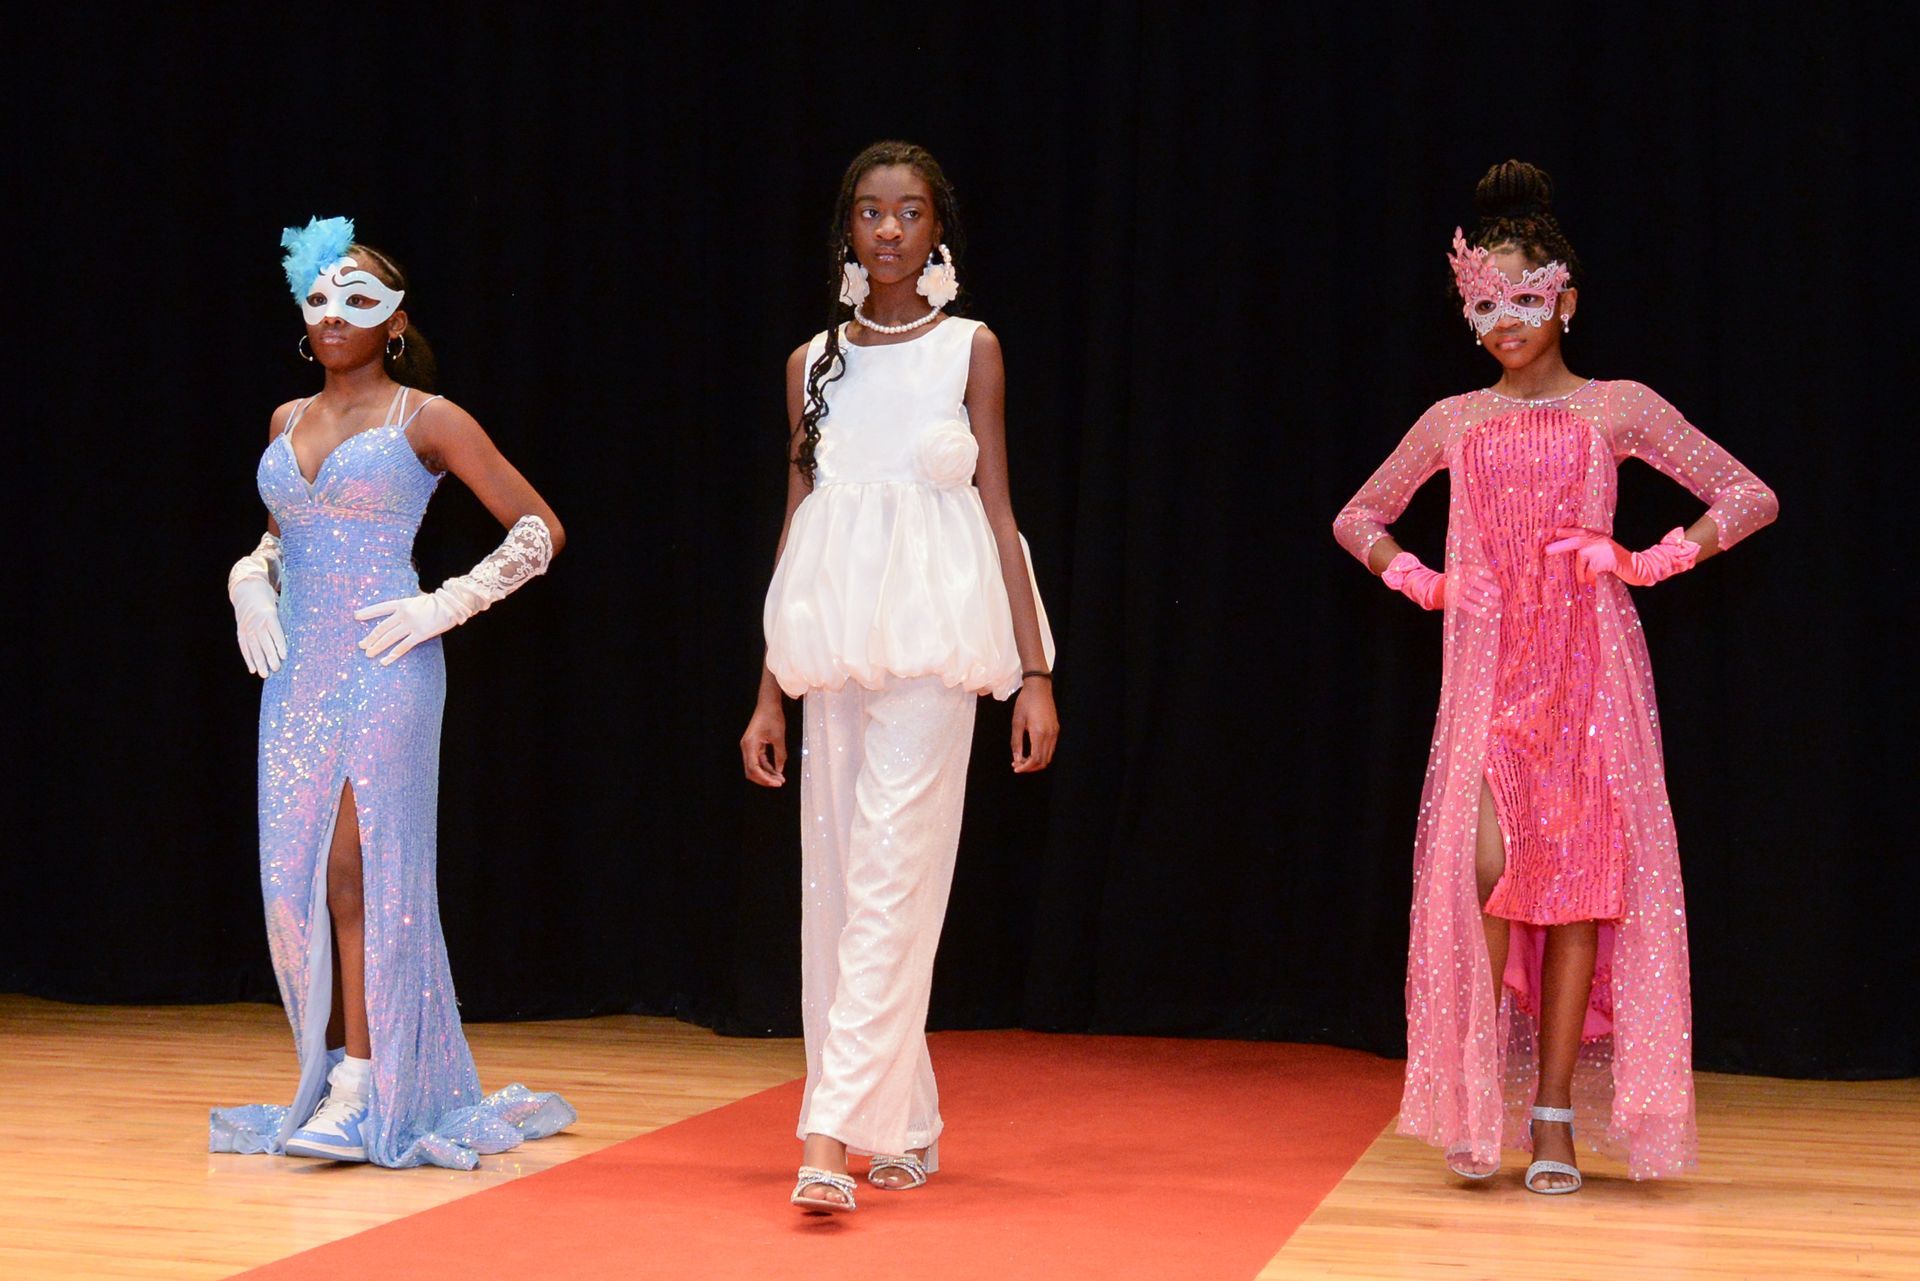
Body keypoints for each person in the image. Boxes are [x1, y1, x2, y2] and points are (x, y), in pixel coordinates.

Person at [1332, 162, 1777, 1193]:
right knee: (1485, 873)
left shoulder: (1617, 407)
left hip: (1587, 676)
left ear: (1566, 299)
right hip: (1489, 678)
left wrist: (1647, 560)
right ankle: (1475, 1101)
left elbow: (1746, 495)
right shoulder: (1453, 420)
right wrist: (1424, 581)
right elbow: (1359, 515)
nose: (1505, 322)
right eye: (1484, 305)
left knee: (1577, 893)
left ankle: (1553, 1114)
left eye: (1524, 300)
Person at [212, 217, 576, 1168]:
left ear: (396, 321)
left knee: (357, 869)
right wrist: (249, 580)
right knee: (292, 880)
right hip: (296, 671)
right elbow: (281, 537)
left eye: (357, 299)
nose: (334, 314)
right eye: (318, 298)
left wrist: (448, 602)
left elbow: (539, 527)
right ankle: (337, 1068)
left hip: (387, 659)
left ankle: (365, 1086)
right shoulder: (286, 420)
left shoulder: (428, 418)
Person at [742, 143, 1059, 1213]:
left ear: (937, 230)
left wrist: (1033, 670)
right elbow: (798, 521)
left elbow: (999, 511)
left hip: (935, 641)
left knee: (889, 876)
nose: (889, 230)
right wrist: (770, 687)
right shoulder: (812, 361)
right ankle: (907, 1119)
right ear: (847, 229)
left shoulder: (972, 348)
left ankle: (826, 1130)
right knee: (841, 886)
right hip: (833, 643)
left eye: (909, 212)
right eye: (871, 212)